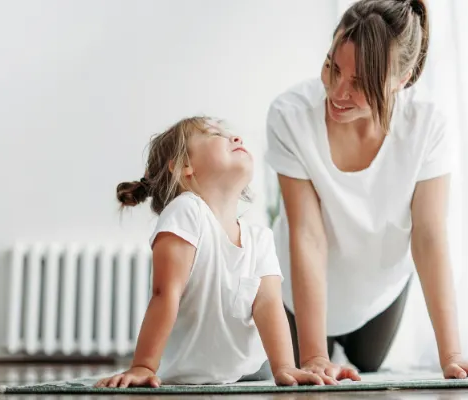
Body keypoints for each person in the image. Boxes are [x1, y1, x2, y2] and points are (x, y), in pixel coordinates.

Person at [265, 0, 468, 383]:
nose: (337, 91)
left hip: (380, 294)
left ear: (404, 77)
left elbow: (428, 235)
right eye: (332, 66)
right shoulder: (290, 115)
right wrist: (313, 355)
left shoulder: (427, 125)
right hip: (297, 298)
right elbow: (307, 235)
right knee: (305, 378)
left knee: (370, 371)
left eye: (360, 82)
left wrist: (452, 355)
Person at [95, 117, 325, 387]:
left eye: (231, 133)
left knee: (266, 367)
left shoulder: (260, 237)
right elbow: (164, 293)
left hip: (247, 370)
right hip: (186, 373)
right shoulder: (186, 211)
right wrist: (143, 365)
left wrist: (285, 367)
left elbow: (269, 304)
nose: (235, 138)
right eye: (216, 134)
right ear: (184, 166)